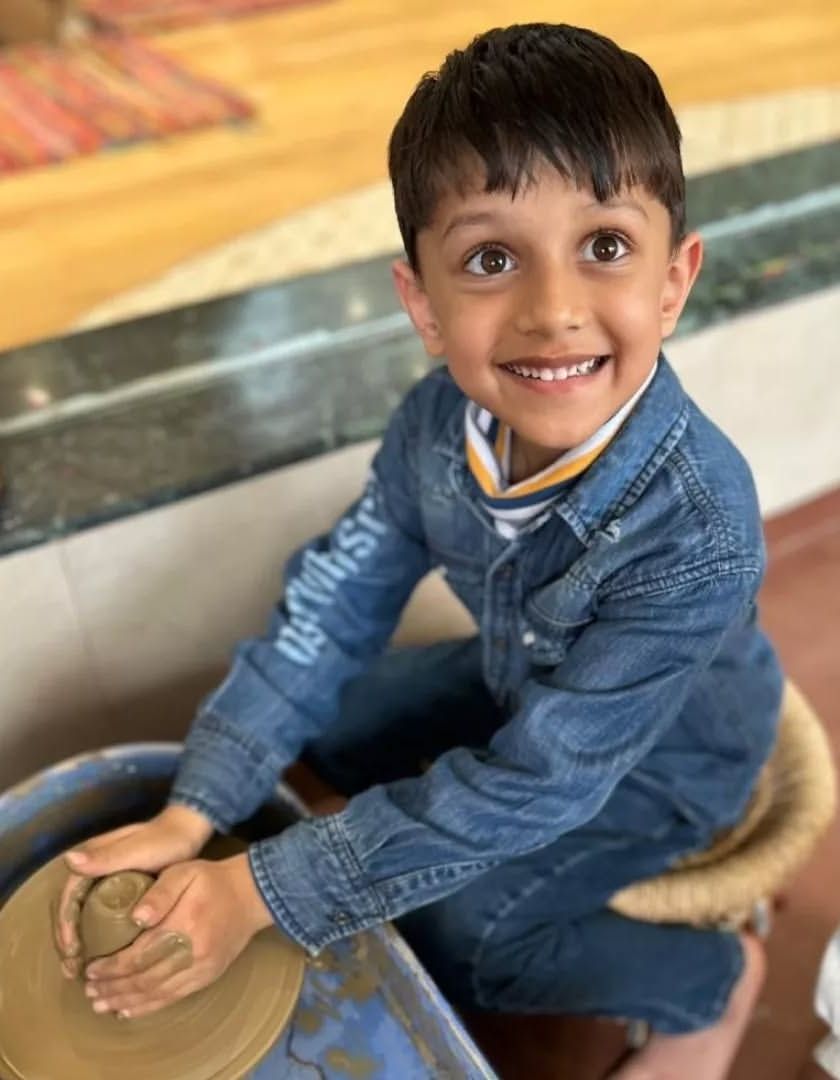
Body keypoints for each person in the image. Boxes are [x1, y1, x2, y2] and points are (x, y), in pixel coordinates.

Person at [54, 23, 783, 1079]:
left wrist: (268, 890)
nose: (554, 311)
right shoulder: (435, 426)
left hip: (664, 760)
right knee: (332, 720)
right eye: (491, 259)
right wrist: (195, 804)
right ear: (423, 306)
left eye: (605, 247)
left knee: (467, 934)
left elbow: (543, 783)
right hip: (514, 676)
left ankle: (710, 986)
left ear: (674, 281)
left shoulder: (698, 529)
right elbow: (331, 608)